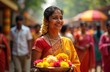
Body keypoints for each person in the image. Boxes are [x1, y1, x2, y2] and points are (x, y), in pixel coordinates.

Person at [31, 6, 80, 72]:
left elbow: (76, 64)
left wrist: (71, 68)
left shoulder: (68, 41)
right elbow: (33, 68)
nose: (59, 21)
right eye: (55, 18)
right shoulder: (40, 42)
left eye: (61, 18)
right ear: (46, 20)